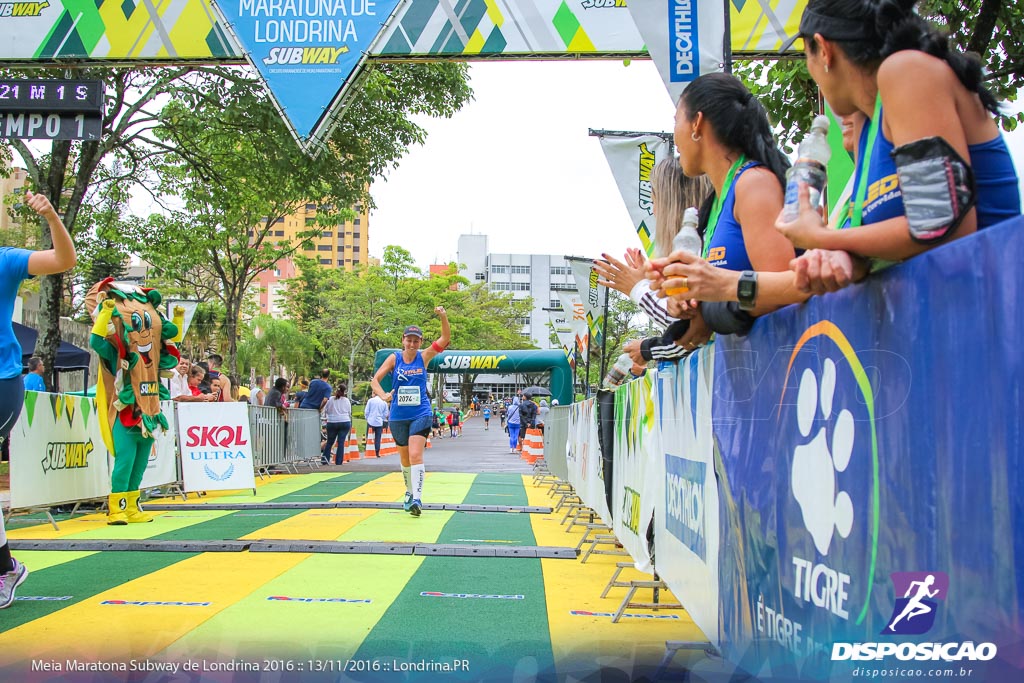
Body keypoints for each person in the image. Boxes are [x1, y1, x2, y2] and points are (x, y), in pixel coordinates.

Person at [643, 73, 797, 340]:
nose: (675, 137)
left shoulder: (753, 183)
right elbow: (729, 295)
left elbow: (791, 288)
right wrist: (688, 298)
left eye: (676, 120)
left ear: (697, 123)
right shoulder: (715, 203)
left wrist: (720, 287)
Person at [1, 190, 76, 609]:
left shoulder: (6, 260)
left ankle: (4, 568)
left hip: (2, 378)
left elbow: (63, 261)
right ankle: (6, 566)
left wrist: (50, 217)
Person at [594, 159, 712, 334]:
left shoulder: (701, 248)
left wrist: (637, 287)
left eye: (655, 202)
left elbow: (684, 326)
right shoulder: (706, 241)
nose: (655, 211)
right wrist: (648, 283)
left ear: (672, 204)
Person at [370, 307, 450, 517]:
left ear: (420, 342)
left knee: (416, 455)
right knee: (405, 460)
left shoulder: (423, 357)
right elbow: (375, 380)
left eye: (416, 341)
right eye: (409, 340)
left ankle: (417, 499)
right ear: (403, 340)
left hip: (420, 413)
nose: (412, 344)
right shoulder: (394, 359)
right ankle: (408, 491)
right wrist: (383, 395)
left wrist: (443, 316)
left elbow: (445, 337)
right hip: (398, 416)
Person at [322, 384, 353, 465]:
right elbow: (349, 412)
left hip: (332, 421)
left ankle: (325, 460)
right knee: (341, 442)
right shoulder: (346, 400)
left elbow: (326, 411)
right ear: (345, 391)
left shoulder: (331, 399)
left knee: (330, 442)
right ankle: (339, 461)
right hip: (344, 421)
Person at [364, 392, 389, 456]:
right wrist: (381, 418)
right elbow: (386, 413)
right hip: (379, 422)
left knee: (369, 436)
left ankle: (368, 449)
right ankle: (377, 451)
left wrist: (367, 418)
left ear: (374, 394)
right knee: (378, 437)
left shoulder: (370, 401)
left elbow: (366, 411)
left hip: (370, 421)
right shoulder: (384, 402)